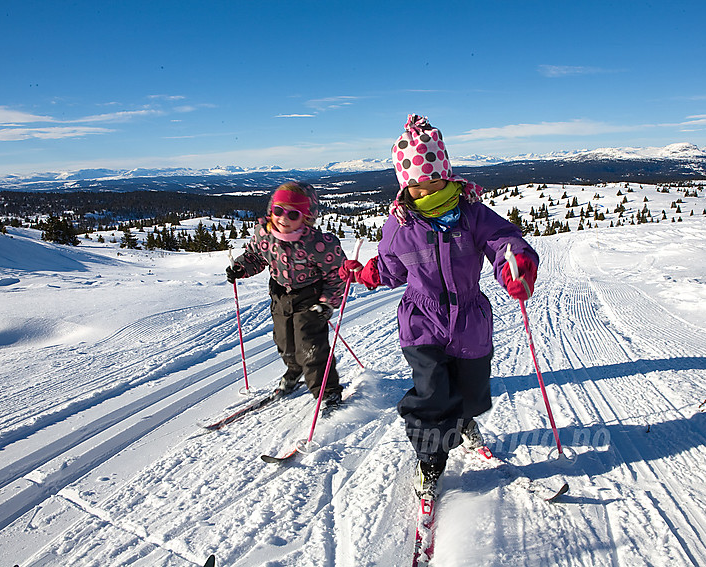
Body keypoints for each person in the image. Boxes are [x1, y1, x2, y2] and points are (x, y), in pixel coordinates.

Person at [340, 114, 539, 498]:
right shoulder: (400, 226)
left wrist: (517, 266)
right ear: (404, 185)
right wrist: (363, 274)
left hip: (470, 320)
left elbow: (504, 241)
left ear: (446, 174)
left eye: (432, 180)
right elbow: (390, 268)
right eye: (415, 184)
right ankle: (430, 460)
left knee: (472, 391)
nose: (425, 190)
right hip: (422, 322)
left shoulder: (472, 214)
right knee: (432, 393)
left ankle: (464, 421)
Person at [226, 181, 347, 408]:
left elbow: (336, 273)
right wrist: (242, 267)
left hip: (310, 298)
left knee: (310, 347)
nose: (283, 218)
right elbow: (255, 257)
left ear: (307, 217)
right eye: (279, 211)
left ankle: (328, 391)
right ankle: (294, 370)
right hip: (280, 295)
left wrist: (327, 302)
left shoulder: (317, 244)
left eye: (293, 214)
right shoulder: (264, 235)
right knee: (284, 342)